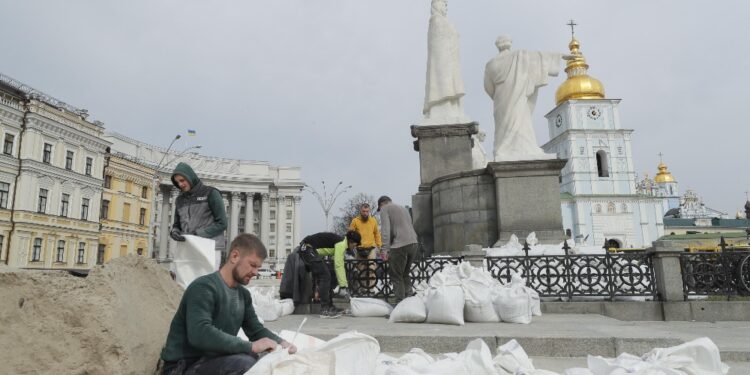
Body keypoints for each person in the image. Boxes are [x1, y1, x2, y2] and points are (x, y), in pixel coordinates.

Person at [159, 234, 297, 375]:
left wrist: (282, 343)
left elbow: (256, 331)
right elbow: (200, 334)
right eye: (253, 265)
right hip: (183, 366)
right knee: (245, 363)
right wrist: (251, 346)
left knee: (259, 359)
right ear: (234, 256)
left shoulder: (243, 295)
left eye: (258, 267)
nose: (256, 272)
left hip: (210, 360)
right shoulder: (204, 287)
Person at [484, 35, 564, 161]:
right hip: (517, 93)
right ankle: (524, 149)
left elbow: (487, 87)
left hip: (500, 98)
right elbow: (539, 58)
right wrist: (560, 56)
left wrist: (497, 96)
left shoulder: (490, 64)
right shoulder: (519, 55)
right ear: (509, 43)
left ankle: (505, 150)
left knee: (504, 126)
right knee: (521, 120)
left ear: (497, 45)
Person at [169, 162, 228, 269]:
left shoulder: (211, 193)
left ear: (190, 177)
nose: (180, 184)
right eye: (177, 182)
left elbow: (222, 223)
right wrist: (175, 232)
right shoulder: (179, 200)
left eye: (182, 180)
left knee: (207, 283)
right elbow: (176, 224)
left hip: (210, 248)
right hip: (187, 248)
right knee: (185, 283)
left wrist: (198, 234)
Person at [421, 0, 470, 125]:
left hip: (450, 62)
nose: (446, 7)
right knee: (443, 86)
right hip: (442, 63)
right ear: (437, 4)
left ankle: (450, 107)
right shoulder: (436, 21)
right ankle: (443, 107)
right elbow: (439, 47)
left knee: (449, 87)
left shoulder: (441, 21)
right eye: (444, 4)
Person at [298, 231, 361, 318]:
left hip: (309, 249)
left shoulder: (342, 243)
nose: (355, 247)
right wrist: (343, 286)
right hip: (307, 248)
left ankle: (330, 306)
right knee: (325, 276)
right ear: (351, 241)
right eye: (355, 245)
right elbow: (338, 265)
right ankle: (325, 309)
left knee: (330, 275)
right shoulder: (341, 243)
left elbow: (338, 263)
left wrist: (343, 284)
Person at [377, 196, 419, 305]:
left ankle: (400, 304)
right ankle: (410, 302)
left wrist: (384, 250)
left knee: (396, 275)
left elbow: (386, 230)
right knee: (405, 273)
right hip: (414, 243)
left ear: (382, 204)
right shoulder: (403, 208)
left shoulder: (384, 209)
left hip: (400, 244)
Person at [349, 203, 382, 293]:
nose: (365, 213)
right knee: (361, 269)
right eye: (363, 211)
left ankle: (371, 288)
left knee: (372, 268)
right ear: (360, 211)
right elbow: (350, 234)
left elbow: (377, 234)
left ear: (369, 211)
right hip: (359, 249)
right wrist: (352, 246)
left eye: (367, 211)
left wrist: (379, 246)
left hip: (371, 248)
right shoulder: (355, 221)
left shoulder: (373, 220)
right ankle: (362, 288)